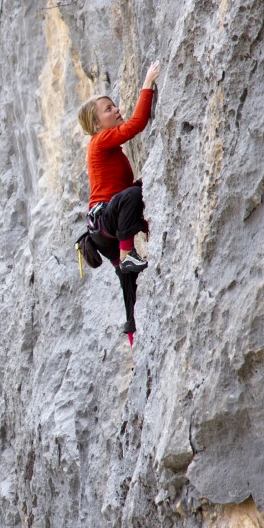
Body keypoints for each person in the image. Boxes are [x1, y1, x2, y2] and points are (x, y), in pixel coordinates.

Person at [77, 60, 160, 340]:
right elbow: (137, 124)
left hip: (103, 229)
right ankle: (127, 254)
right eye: (109, 109)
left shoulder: (107, 149)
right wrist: (147, 83)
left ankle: (133, 336)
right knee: (134, 194)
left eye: (114, 106)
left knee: (129, 283)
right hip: (105, 220)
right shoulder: (100, 141)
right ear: (96, 124)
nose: (117, 110)